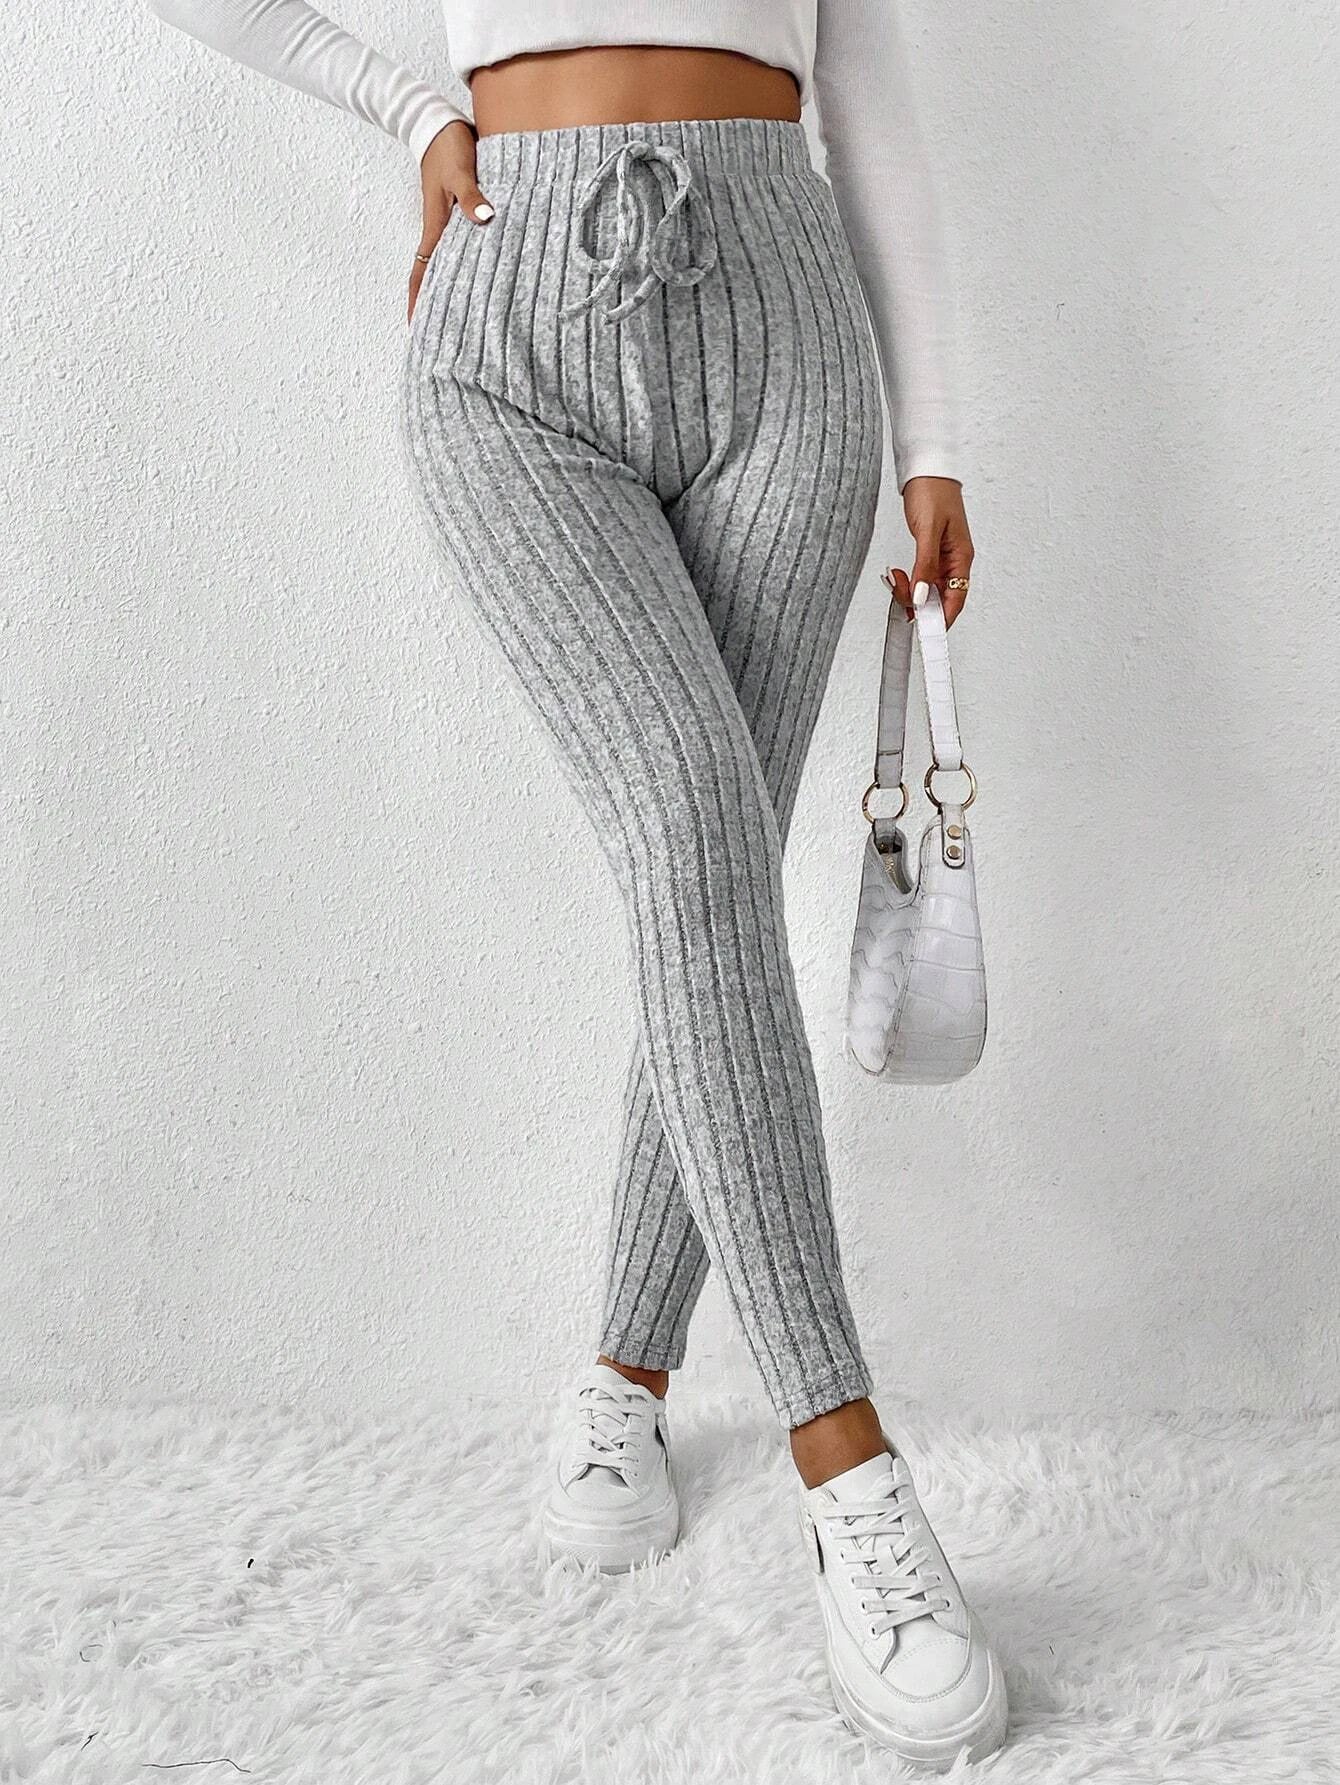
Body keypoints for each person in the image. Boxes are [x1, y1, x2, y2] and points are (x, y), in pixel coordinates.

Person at [142, 0, 1003, 1765]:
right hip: (512, 337)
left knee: (708, 880)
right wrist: (406, 109)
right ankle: (847, 1464)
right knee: (690, 824)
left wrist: (935, 440)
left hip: (785, 340)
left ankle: (623, 1372)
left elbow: (870, 91)